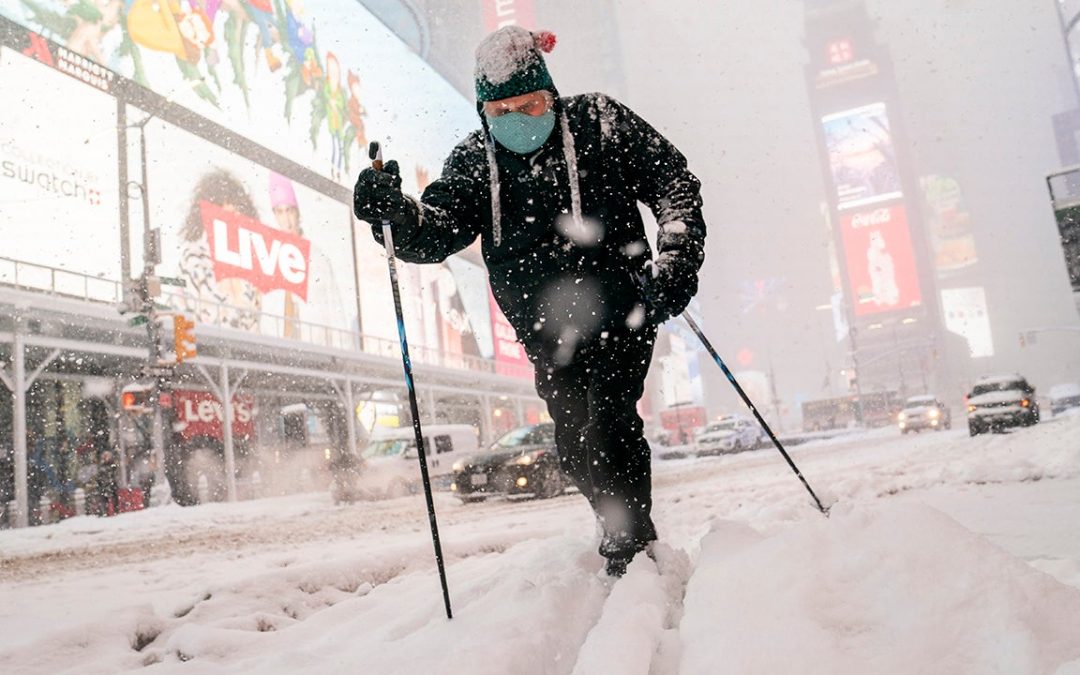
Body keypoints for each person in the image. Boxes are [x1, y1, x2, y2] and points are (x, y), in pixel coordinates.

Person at [352, 27, 706, 576]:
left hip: (623, 310)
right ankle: (611, 515)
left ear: (551, 94)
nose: (518, 118)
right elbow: (436, 230)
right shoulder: (476, 161)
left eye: (532, 103)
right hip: (545, 330)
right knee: (574, 446)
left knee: (611, 423)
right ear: (483, 111)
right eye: (501, 109)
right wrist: (395, 215)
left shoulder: (599, 123)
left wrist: (676, 259)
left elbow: (672, 183)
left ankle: (630, 547)